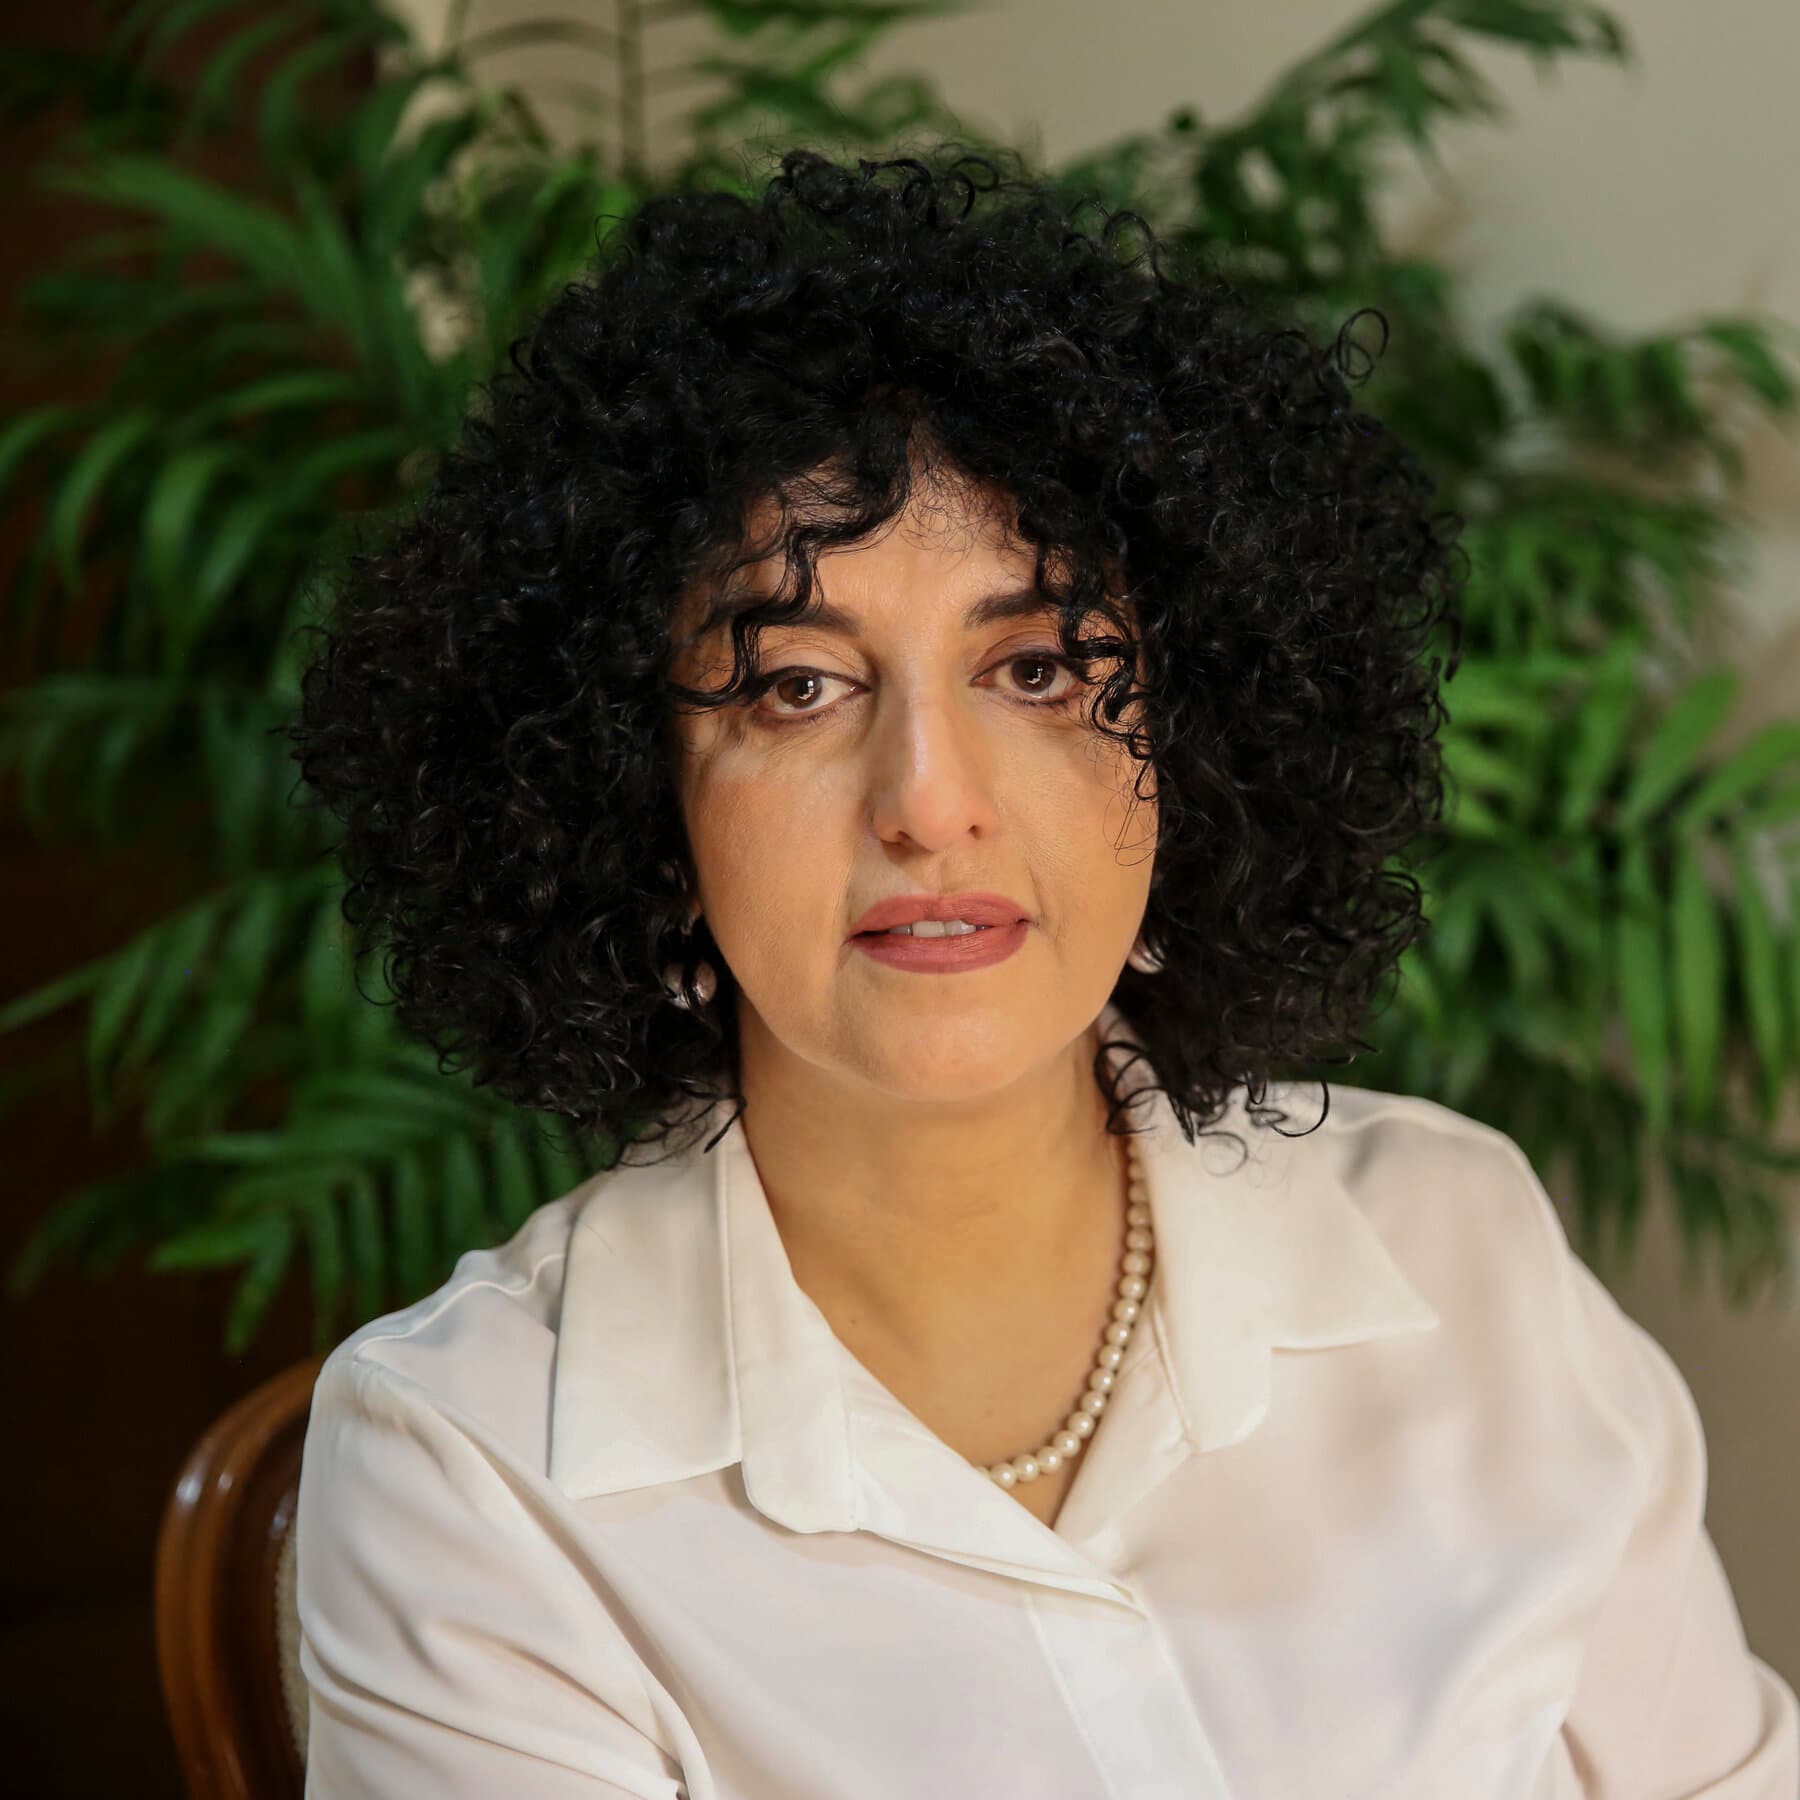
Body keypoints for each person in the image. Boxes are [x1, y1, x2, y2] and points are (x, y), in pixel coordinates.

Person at [284, 143, 1799, 1799]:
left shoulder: (1460, 1248)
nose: (930, 802)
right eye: (795, 686)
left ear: (1197, 750)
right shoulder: (473, 1471)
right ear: (641, 806)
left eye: (1037, 668)